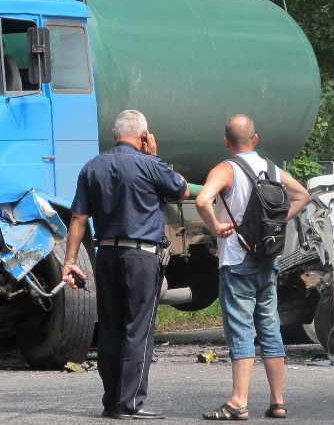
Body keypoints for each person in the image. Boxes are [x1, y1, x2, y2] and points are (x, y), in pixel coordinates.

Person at [62, 109, 189, 420]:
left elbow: (78, 218)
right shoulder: (150, 165)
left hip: (105, 255)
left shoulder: (91, 167)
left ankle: (112, 400)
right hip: (141, 257)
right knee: (138, 330)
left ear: (114, 135)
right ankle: (130, 404)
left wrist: (69, 261)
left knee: (111, 329)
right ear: (143, 136)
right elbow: (182, 189)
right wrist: (156, 157)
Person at [195, 114, 310, 420]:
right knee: (270, 327)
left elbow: (203, 200)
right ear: (255, 139)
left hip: (237, 258)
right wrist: (276, 223)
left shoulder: (225, 169)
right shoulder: (272, 169)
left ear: (226, 142)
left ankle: (238, 401)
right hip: (268, 258)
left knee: (241, 329)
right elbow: (303, 195)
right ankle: (278, 401)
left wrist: (217, 225)